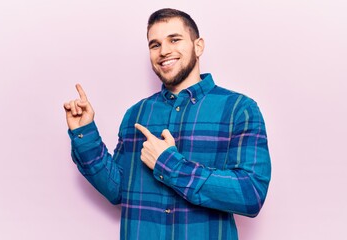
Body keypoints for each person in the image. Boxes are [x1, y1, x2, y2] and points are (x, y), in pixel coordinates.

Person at [64, 8, 271, 240]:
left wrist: (169, 164)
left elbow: (250, 194)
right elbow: (119, 190)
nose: (164, 51)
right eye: (155, 45)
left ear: (198, 46)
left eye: (174, 39)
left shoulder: (239, 109)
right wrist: (84, 133)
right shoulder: (136, 114)